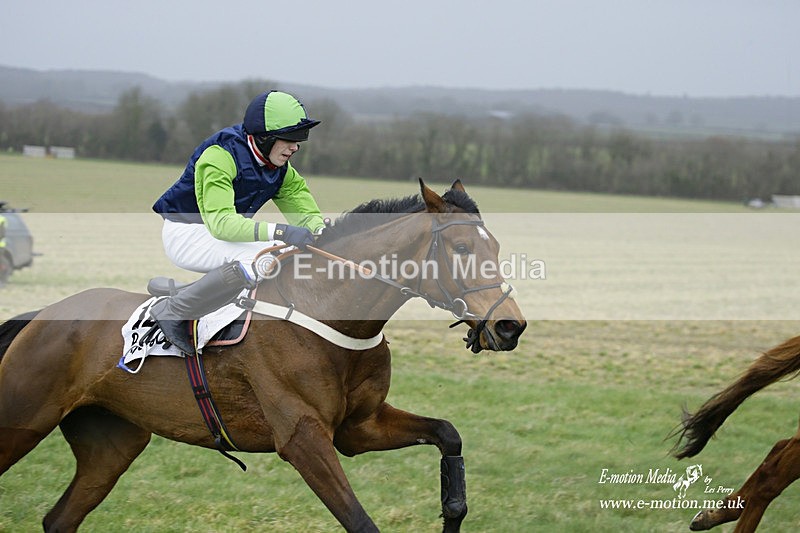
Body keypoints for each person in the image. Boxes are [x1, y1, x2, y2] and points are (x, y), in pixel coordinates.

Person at [151, 90, 326, 354]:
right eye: (290, 139)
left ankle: (184, 292)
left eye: (300, 139)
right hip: (187, 233)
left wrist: (325, 233)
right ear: (265, 138)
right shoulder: (219, 156)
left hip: (217, 235)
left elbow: (305, 212)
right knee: (263, 259)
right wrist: (282, 231)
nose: (296, 147)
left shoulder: (280, 171)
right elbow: (222, 224)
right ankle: (173, 310)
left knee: (286, 254)